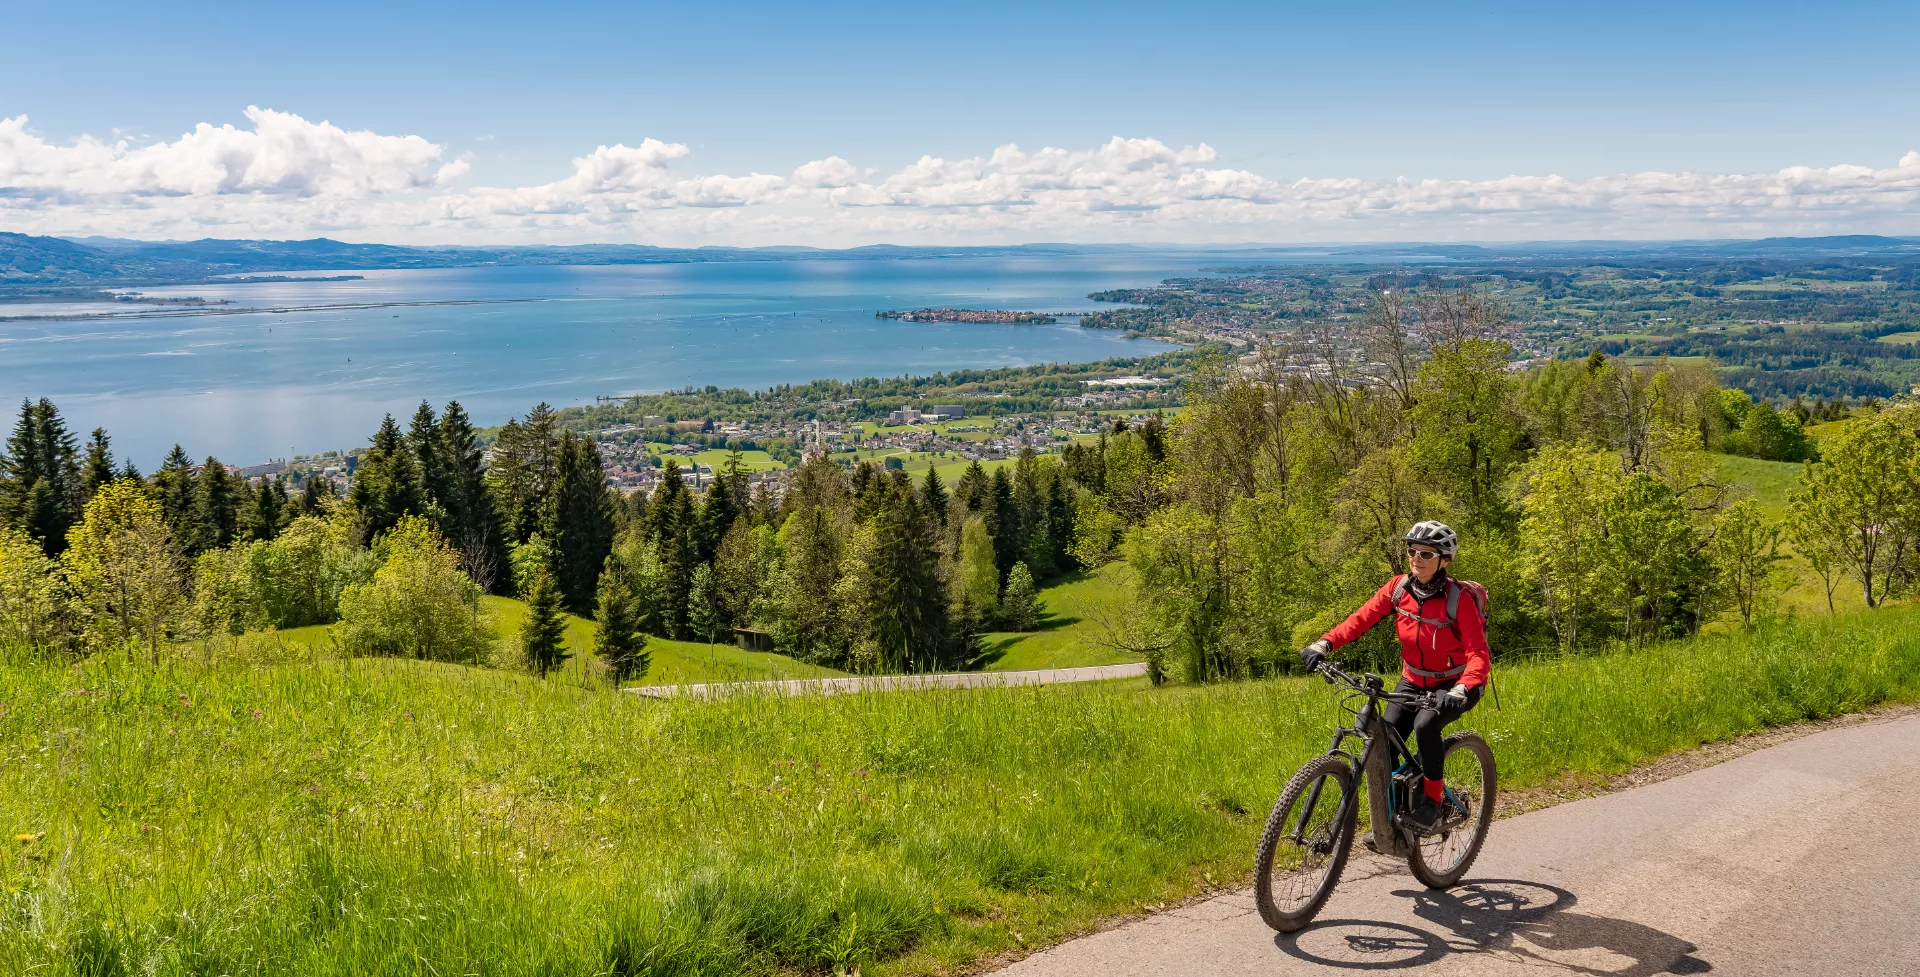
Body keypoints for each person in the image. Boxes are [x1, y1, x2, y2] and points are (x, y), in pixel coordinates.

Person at [1298, 520, 1491, 833]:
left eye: (1427, 554)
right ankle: (1390, 825)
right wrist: (1324, 643)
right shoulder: (1399, 588)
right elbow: (1360, 619)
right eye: (1412, 551)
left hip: (1453, 684)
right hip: (1413, 679)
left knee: (1425, 725)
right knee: (1382, 744)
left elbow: (1478, 654)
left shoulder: (1459, 600)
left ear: (1444, 560)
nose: (1417, 558)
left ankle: (1431, 800)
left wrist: (1461, 689)